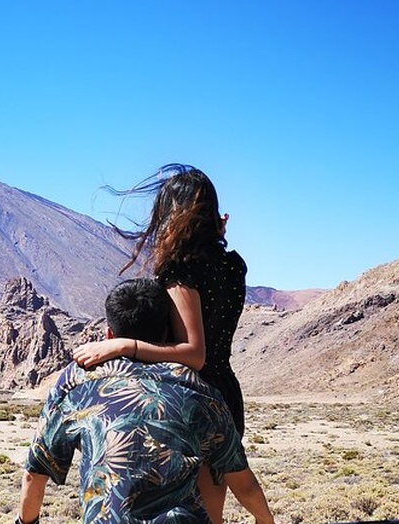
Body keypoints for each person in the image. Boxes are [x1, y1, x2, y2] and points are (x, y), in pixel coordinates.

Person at [72, 164, 248, 523]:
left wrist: (122, 346)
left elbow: (194, 353)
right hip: (226, 394)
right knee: (211, 514)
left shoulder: (181, 271)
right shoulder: (232, 265)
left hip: (189, 399)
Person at [17, 278, 274, 524]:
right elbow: (242, 480)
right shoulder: (197, 388)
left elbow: (34, 475)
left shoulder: (77, 381)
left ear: (109, 335)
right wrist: (265, 520)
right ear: (167, 333)